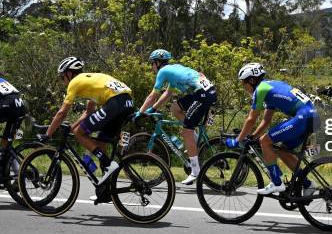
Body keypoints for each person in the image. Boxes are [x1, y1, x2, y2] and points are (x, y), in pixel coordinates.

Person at [39, 57, 134, 188]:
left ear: (69, 73)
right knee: (101, 142)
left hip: (115, 103)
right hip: (127, 102)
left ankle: (109, 165)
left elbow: (62, 113)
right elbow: (89, 111)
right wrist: (74, 126)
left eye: (62, 77)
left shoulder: (75, 82)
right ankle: (107, 185)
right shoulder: (91, 81)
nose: (62, 81)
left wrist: (48, 134)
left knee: (80, 133)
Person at [226, 63, 319, 195]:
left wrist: (237, 140)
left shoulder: (260, 90)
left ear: (252, 80)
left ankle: (277, 182)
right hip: (312, 117)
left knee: (265, 141)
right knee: (282, 151)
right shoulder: (270, 86)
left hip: (303, 117)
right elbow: (266, 121)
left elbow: (251, 119)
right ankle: (308, 184)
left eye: (244, 83)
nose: (243, 87)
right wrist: (252, 137)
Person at [135, 49, 217, 185]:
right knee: (175, 107)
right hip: (206, 92)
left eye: (152, 64)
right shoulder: (173, 70)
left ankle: (195, 170)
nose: (151, 67)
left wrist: (140, 112)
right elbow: (167, 94)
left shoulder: (163, 71)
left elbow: (153, 95)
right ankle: (194, 139)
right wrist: (153, 108)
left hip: (202, 94)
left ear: (157, 63)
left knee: (186, 131)